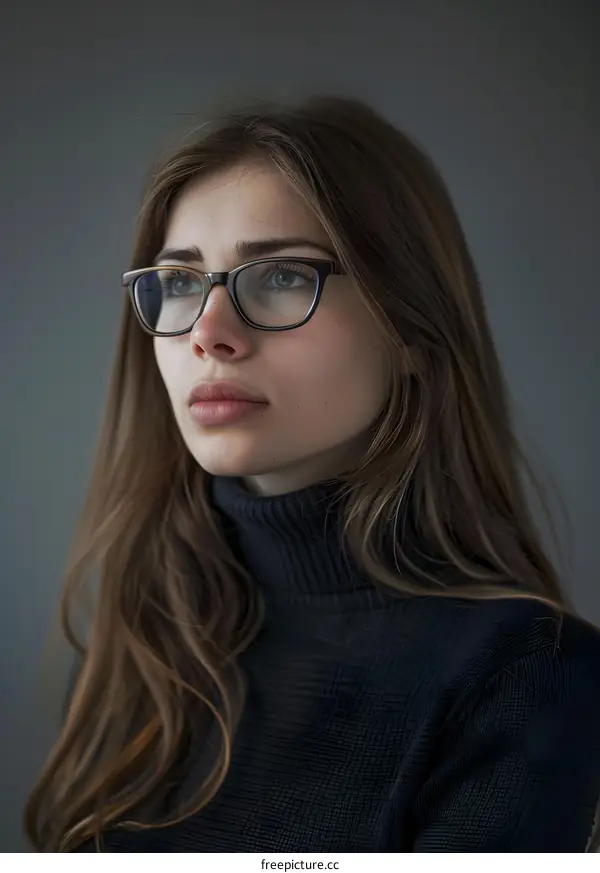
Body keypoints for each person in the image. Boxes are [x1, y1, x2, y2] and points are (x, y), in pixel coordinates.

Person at [25, 95, 600, 853]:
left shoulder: (530, 677)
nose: (208, 334)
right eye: (182, 281)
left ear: (410, 328)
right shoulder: (142, 648)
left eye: (282, 277)